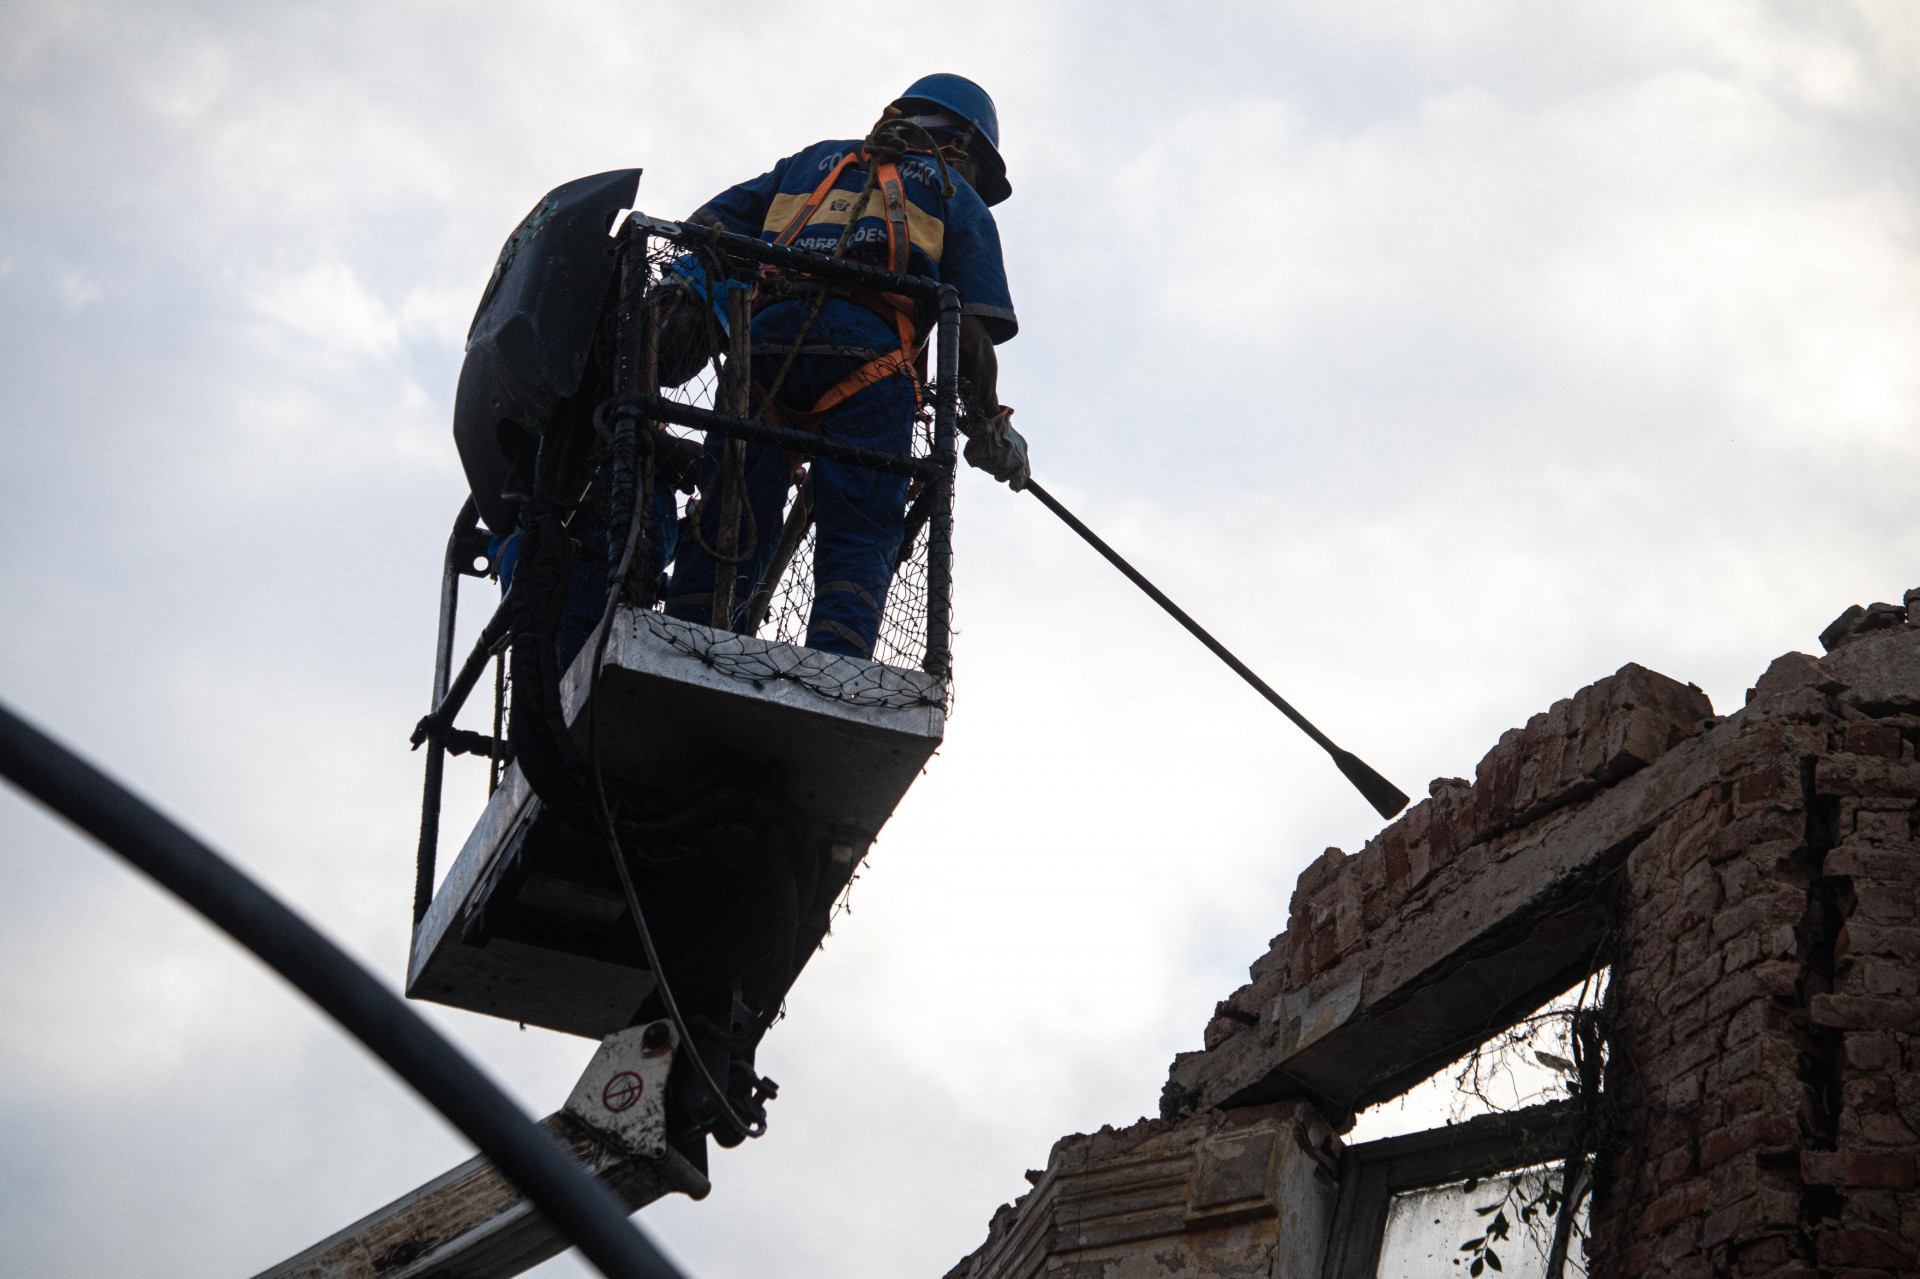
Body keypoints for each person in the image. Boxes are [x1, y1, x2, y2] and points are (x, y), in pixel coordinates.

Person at [661, 73, 1030, 659]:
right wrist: (989, 423)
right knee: (860, 532)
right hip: (870, 367)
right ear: (963, 145)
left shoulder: (809, 163)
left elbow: (705, 225)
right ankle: (837, 667)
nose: (979, 186)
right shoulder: (953, 192)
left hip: (762, 356)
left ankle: (685, 646)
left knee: (730, 513)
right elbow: (972, 335)